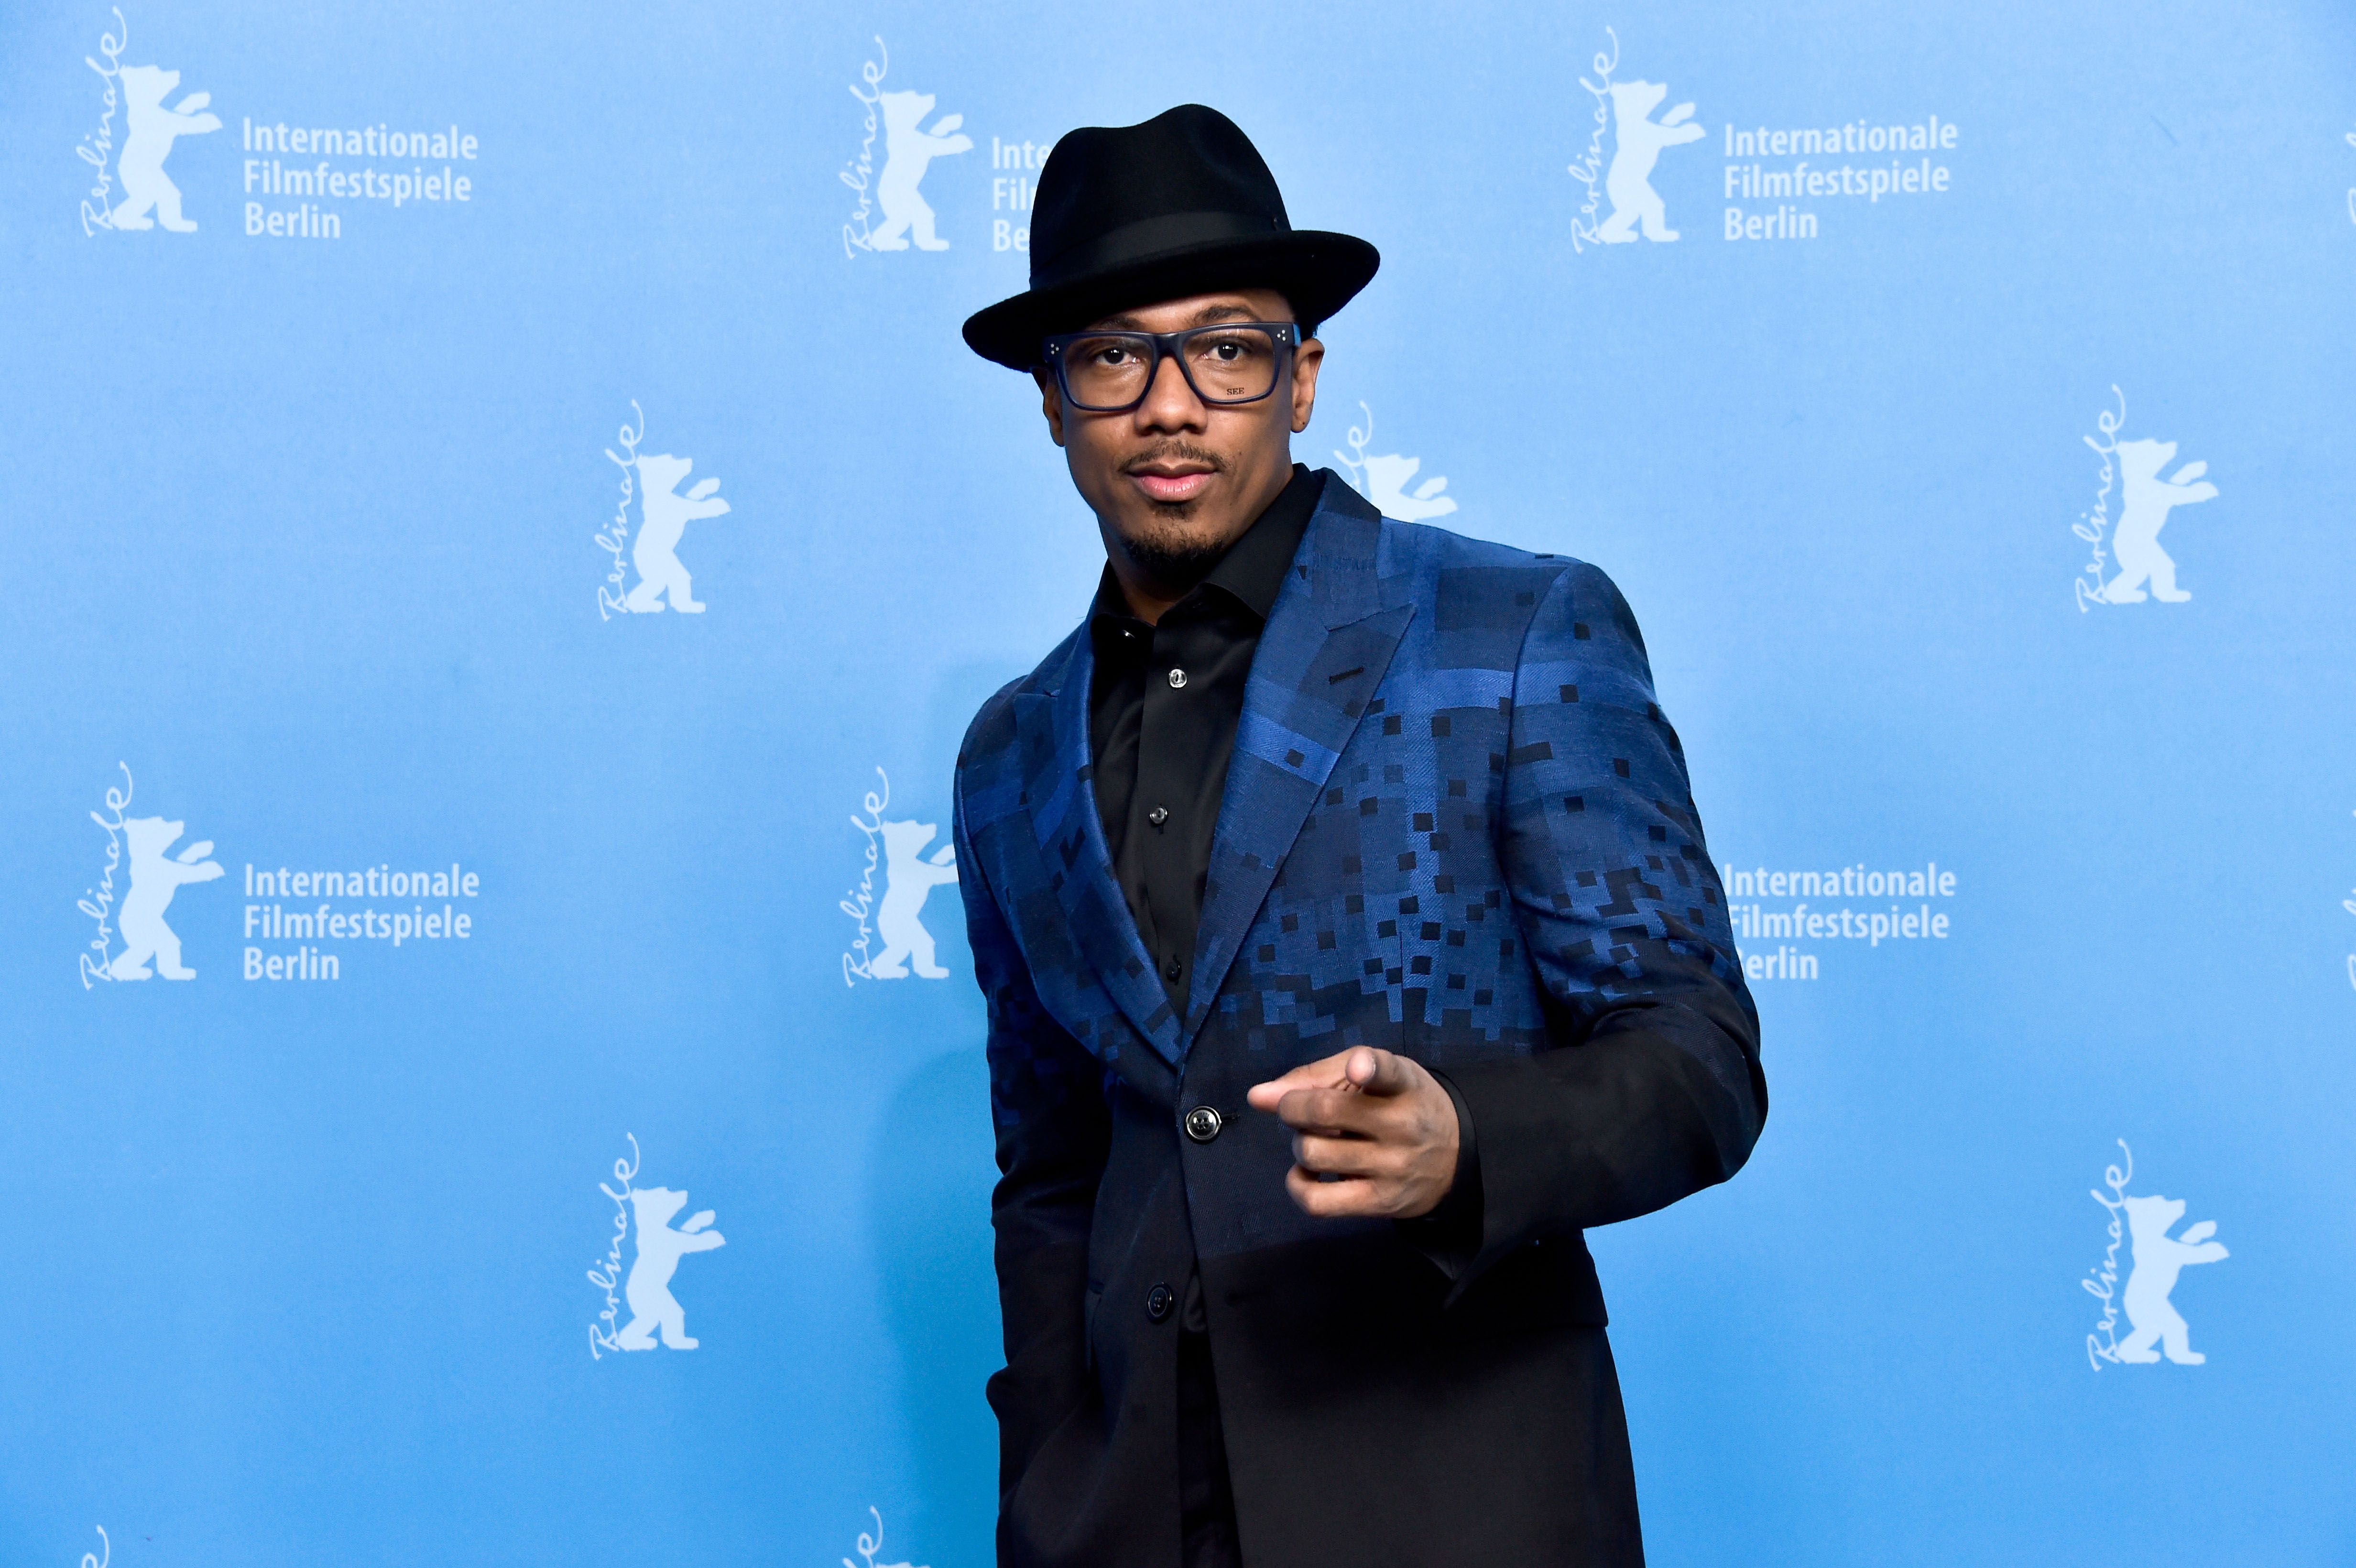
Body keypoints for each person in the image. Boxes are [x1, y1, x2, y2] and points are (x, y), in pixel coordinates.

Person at [951, 104, 1766, 1568]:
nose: (1174, 403)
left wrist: (1470, 1145)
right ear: (1055, 400)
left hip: (1456, 1503)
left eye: (1229, 347)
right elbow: (1053, 1168)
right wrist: (1049, 1467)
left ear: (1302, 377)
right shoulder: (1010, 750)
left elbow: (1696, 1053)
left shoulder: (1511, 633)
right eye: (1115, 355)